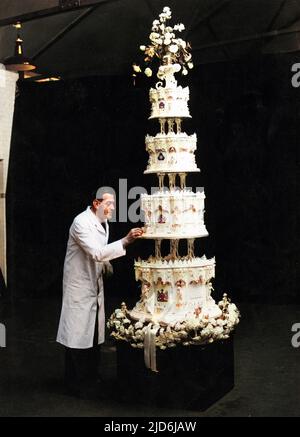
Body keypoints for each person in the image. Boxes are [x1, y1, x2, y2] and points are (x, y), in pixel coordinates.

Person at [56, 189, 143, 398]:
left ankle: (91, 377)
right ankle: (76, 384)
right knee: (77, 336)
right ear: (96, 203)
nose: (112, 208)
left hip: (93, 285)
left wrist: (107, 264)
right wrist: (126, 240)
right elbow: (95, 252)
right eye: (109, 204)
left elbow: (100, 252)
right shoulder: (81, 222)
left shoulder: (103, 223)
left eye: (113, 204)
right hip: (79, 286)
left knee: (93, 334)